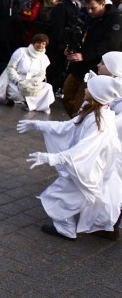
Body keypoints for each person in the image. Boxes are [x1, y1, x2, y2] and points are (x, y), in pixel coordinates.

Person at [17, 75, 122, 241]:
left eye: (89, 88)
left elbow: (83, 150)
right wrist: (38, 124)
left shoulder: (100, 123)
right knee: (61, 195)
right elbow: (69, 126)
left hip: (86, 171)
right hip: (80, 169)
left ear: (97, 95)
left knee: (59, 197)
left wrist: (52, 158)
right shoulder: (93, 113)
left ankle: (66, 229)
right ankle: (66, 226)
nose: (85, 89)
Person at [61, 0, 122, 117]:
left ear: (102, 4)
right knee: (67, 95)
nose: (89, 11)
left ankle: (76, 124)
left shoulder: (115, 20)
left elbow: (110, 44)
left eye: (93, 8)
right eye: (87, 8)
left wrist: (85, 55)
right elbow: (83, 36)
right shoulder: (91, 18)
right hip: (79, 66)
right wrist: (72, 48)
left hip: (96, 67)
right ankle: (74, 122)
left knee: (81, 103)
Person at [0, 33, 54, 112]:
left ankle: (38, 106)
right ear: (33, 43)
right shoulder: (21, 51)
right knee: (20, 93)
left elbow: (42, 74)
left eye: (43, 43)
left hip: (32, 82)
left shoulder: (44, 58)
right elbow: (10, 68)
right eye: (38, 42)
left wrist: (33, 82)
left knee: (48, 87)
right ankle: (26, 102)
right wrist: (18, 81)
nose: (40, 45)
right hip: (16, 81)